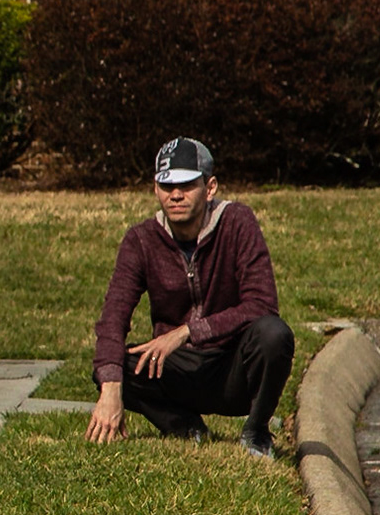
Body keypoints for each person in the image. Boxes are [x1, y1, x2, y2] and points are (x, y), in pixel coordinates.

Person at [84, 137, 295, 459]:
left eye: (187, 185)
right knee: (113, 365)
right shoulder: (140, 239)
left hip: (231, 365)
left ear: (209, 188)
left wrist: (186, 332)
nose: (176, 195)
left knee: (274, 334)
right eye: (167, 186)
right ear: (155, 189)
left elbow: (262, 304)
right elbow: (113, 317)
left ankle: (256, 432)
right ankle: (184, 427)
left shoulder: (237, 222)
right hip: (178, 372)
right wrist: (111, 391)